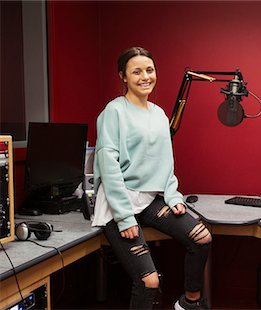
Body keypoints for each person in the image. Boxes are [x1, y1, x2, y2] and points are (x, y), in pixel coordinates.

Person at [92, 47, 212, 310]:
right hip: (117, 204)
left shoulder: (158, 113)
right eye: (136, 71)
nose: (145, 76)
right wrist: (124, 217)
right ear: (123, 77)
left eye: (149, 70)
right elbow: (108, 167)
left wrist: (172, 195)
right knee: (149, 282)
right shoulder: (114, 112)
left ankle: (189, 304)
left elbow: (165, 162)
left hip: (147, 199)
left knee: (202, 237)